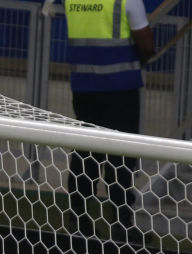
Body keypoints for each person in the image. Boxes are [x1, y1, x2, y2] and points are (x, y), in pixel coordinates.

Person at [58, 0, 156, 241]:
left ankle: (79, 220)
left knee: (85, 154)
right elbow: (146, 45)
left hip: (84, 86)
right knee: (121, 158)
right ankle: (122, 224)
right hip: (120, 87)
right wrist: (141, 59)